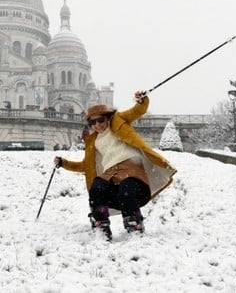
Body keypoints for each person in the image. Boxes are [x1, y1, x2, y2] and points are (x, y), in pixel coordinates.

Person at [53, 91, 177, 240]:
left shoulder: (118, 120)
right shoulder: (93, 141)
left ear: (107, 117)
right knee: (97, 187)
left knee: (127, 187)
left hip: (131, 168)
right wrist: (63, 163)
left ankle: (134, 224)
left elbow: (137, 111)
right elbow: (86, 166)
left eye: (100, 120)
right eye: (92, 122)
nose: (97, 125)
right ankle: (101, 225)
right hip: (110, 174)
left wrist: (141, 100)